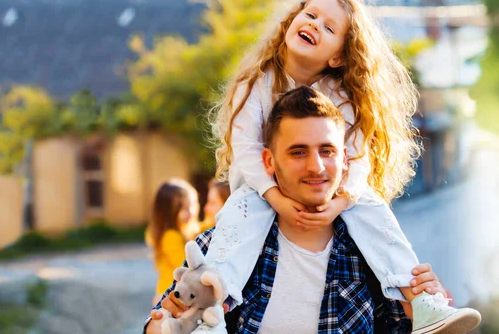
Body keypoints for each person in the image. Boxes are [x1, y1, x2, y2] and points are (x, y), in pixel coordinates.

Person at [208, 0, 481, 333]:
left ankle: (420, 302)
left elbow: (357, 160)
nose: (314, 25)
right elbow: (246, 152)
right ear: (292, 20)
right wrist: (275, 198)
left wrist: (341, 202)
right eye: (310, 15)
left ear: (338, 56)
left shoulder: (339, 96)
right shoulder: (256, 83)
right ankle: (208, 312)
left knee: (371, 210)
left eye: (328, 27)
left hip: (330, 193)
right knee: (235, 229)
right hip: (261, 191)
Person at [145, 87, 457, 333]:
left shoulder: (374, 252)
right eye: (298, 152)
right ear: (268, 162)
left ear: (345, 160)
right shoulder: (225, 243)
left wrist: (423, 307)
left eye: (327, 150)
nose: (316, 166)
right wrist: (161, 326)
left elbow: (411, 327)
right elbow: (162, 320)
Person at [146, 178, 201, 305]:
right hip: (169, 297)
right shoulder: (170, 237)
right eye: (183, 209)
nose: (190, 212)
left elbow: (202, 227)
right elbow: (186, 266)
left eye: (191, 205)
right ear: (167, 213)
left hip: (174, 295)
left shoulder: (184, 229)